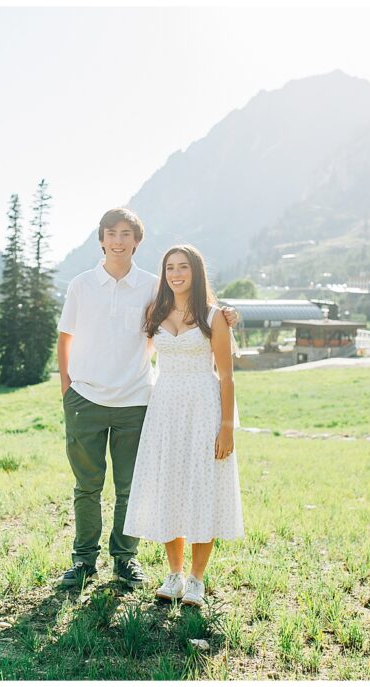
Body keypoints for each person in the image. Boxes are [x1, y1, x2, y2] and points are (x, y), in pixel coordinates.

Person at [56, 210, 237, 590]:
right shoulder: (84, 285)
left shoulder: (153, 288)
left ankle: (126, 561)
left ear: (137, 241)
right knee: (88, 485)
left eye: (126, 234)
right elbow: (65, 337)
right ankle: (84, 561)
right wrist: (67, 388)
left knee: (130, 487)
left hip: (140, 400)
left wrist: (230, 315)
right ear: (101, 239)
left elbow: (200, 313)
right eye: (111, 233)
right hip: (90, 398)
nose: (118, 240)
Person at [123, 244, 244, 608]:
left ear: (195, 272)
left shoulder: (214, 316)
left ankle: (196, 579)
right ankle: (173, 574)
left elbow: (226, 377)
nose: (176, 274)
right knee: (169, 488)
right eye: (170, 268)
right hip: (165, 409)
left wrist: (227, 427)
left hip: (203, 407)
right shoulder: (154, 312)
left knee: (202, 487)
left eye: (183, 268)